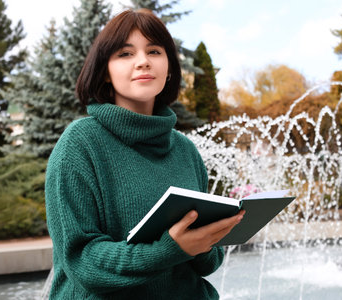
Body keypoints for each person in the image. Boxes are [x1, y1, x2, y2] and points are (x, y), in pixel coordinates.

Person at [45, 9, 244, 299]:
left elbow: (209, 263)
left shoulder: (185, 150)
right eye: (125, 54)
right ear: (105, 72)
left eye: (154, 51)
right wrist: (169, 249)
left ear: (169, 68)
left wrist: (211, 238)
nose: (143, 62)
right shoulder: (80, 144)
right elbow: (82, 260)